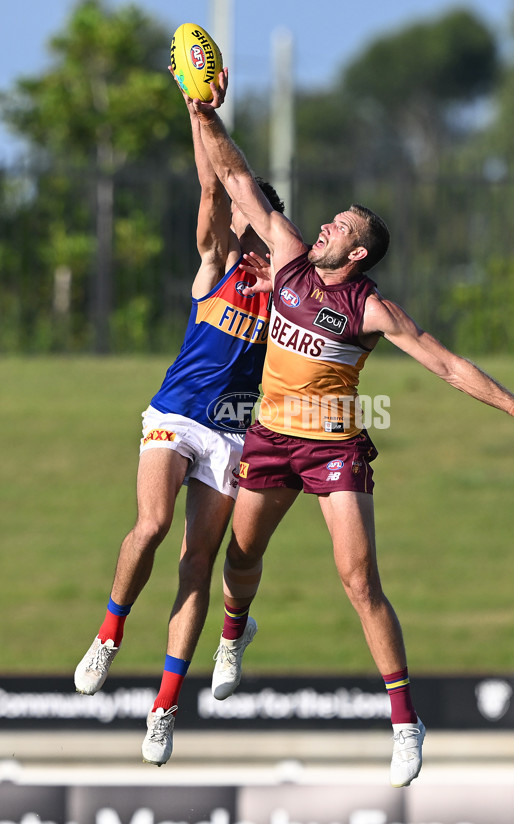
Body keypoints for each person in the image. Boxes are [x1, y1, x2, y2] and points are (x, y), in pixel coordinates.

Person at [191, 70, 514, 788]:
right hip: (270, 438)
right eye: (332, 219)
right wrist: (204, 115)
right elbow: (238, 180)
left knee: (359, 579)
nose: (328, 225)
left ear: (359, 253)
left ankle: (405, 720)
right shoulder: (286, 257)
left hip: (334, 447)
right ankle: (234, 631)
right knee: (238, 562)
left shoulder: (373, 309)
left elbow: (448, 365)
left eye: (342, 226)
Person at [73, 72, 284, 767]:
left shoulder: (287, 293)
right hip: (176, 414)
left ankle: (162, 710)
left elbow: (239, 191)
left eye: (252, 223)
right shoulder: (217, 263)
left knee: (198, 564)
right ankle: (108, 636)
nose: (239, 226)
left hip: (231, 431)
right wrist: (196, 112)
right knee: (152, 526)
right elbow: (213, 184)